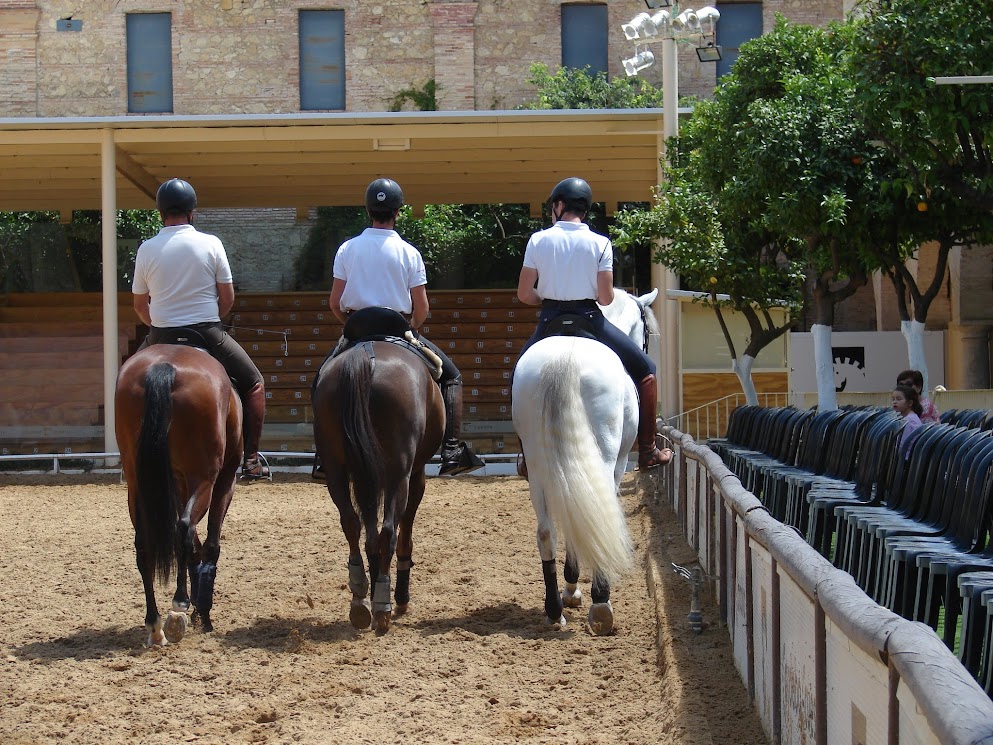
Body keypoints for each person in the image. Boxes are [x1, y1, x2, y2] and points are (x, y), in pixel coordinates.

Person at [325, 177, 483, 477]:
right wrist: (412, 327)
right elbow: (421, 307)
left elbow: (335, 303)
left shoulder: (347, 249)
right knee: (451, 376)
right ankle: (451, 450)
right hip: (398, 327)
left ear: (368, 210)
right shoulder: (409, 252)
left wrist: (352, 325)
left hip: (357, 326)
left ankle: (324, 453)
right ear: (398, 212)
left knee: (323, 378)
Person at [514, 177, 672, 475]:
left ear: (559, 206)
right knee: (647, 371)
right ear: (584, 210)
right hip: (590, 320)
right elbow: (605, 296)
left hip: (550, 321)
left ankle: (525, 454)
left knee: (518, 373)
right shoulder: (601, 243)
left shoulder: (538, 240)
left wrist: (545, 298)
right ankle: (649, 450)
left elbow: (524, 294)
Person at [132, 178, 269, 481]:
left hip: (160, 333)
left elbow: (140, 305)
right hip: (206, 331)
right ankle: (251, 458)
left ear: (160, 213)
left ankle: (128, 458)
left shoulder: (147, 249)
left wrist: (156, 325)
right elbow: (227, 297)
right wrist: (213, 319)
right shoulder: (211, 244)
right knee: (254, 383)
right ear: (192, 212)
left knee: (125, 382)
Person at [892, 383, 924, 460]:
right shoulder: (910, 417)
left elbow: (901, 445)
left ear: (910, 403)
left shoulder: (908, 421)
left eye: (899, 399)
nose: (894, 402)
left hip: (906, 460)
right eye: (893, 399)